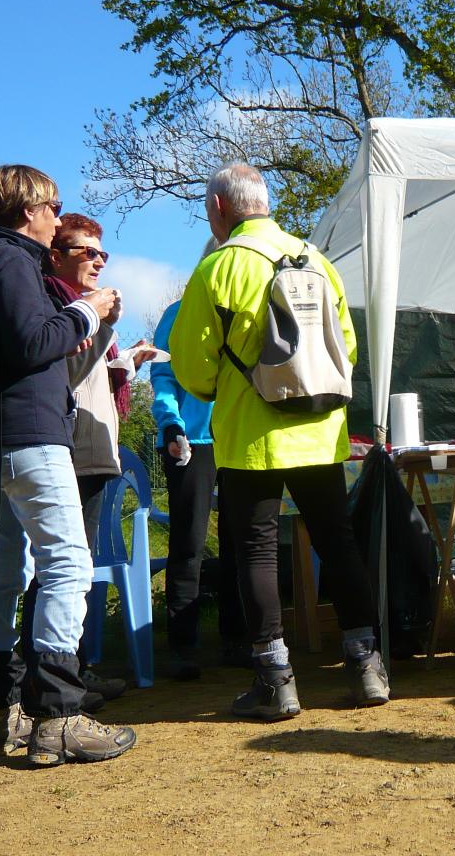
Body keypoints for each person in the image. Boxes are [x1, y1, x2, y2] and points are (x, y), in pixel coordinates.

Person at [170, 162, 388, 720]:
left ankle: (275, 678)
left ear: (219, 209)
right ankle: (366, 667)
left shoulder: (218, 268)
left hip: (251, 434)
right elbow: (349, 351)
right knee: (338, 543)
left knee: (257, 550)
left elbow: (192, 371)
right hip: (321, 430)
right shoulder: (317, 259)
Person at [0, 164, 136, 765]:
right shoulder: (12, 263)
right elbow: (32, 345)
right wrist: (87, 311)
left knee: (0, 574)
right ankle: (59, 715)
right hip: (25, 438)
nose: (58, 219)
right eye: (54, 206)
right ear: (27, 207)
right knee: (68, 565)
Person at [17, 213, 156, 708]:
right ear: (55, 255)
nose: (98, 260)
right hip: (66, 450)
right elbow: (64, 376)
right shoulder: (57, 305)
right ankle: (43, 679)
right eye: (86, 251)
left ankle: (70, 668)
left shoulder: (80, 306)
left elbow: (92, 377)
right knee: (58, 568)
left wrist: (125, 362)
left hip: (93, 450)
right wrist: (100, 322)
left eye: (103, 253)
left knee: (74, 568)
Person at [151, 243, 248, 680]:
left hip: (240, 434)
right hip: (190, 441)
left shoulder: (249, 308)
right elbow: (163, 377)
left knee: (241, 539)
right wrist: (172, 425)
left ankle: (238, 637)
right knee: (188, 541)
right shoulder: (180, 312)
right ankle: (183, 646)